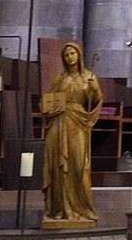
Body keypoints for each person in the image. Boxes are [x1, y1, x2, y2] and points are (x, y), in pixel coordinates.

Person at [41, 43, 102, 229]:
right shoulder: (59, 80)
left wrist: (94, 91)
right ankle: (59, 209)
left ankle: (82, 208)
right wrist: (49, 108)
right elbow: (44, 102)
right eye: (66, 54)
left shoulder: (89, 77)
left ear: (79, 55)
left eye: (73, 53)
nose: (70, 57)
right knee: (59, 168)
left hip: (78, 123)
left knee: (78, 165)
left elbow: (96, 101)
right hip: (59, 124)